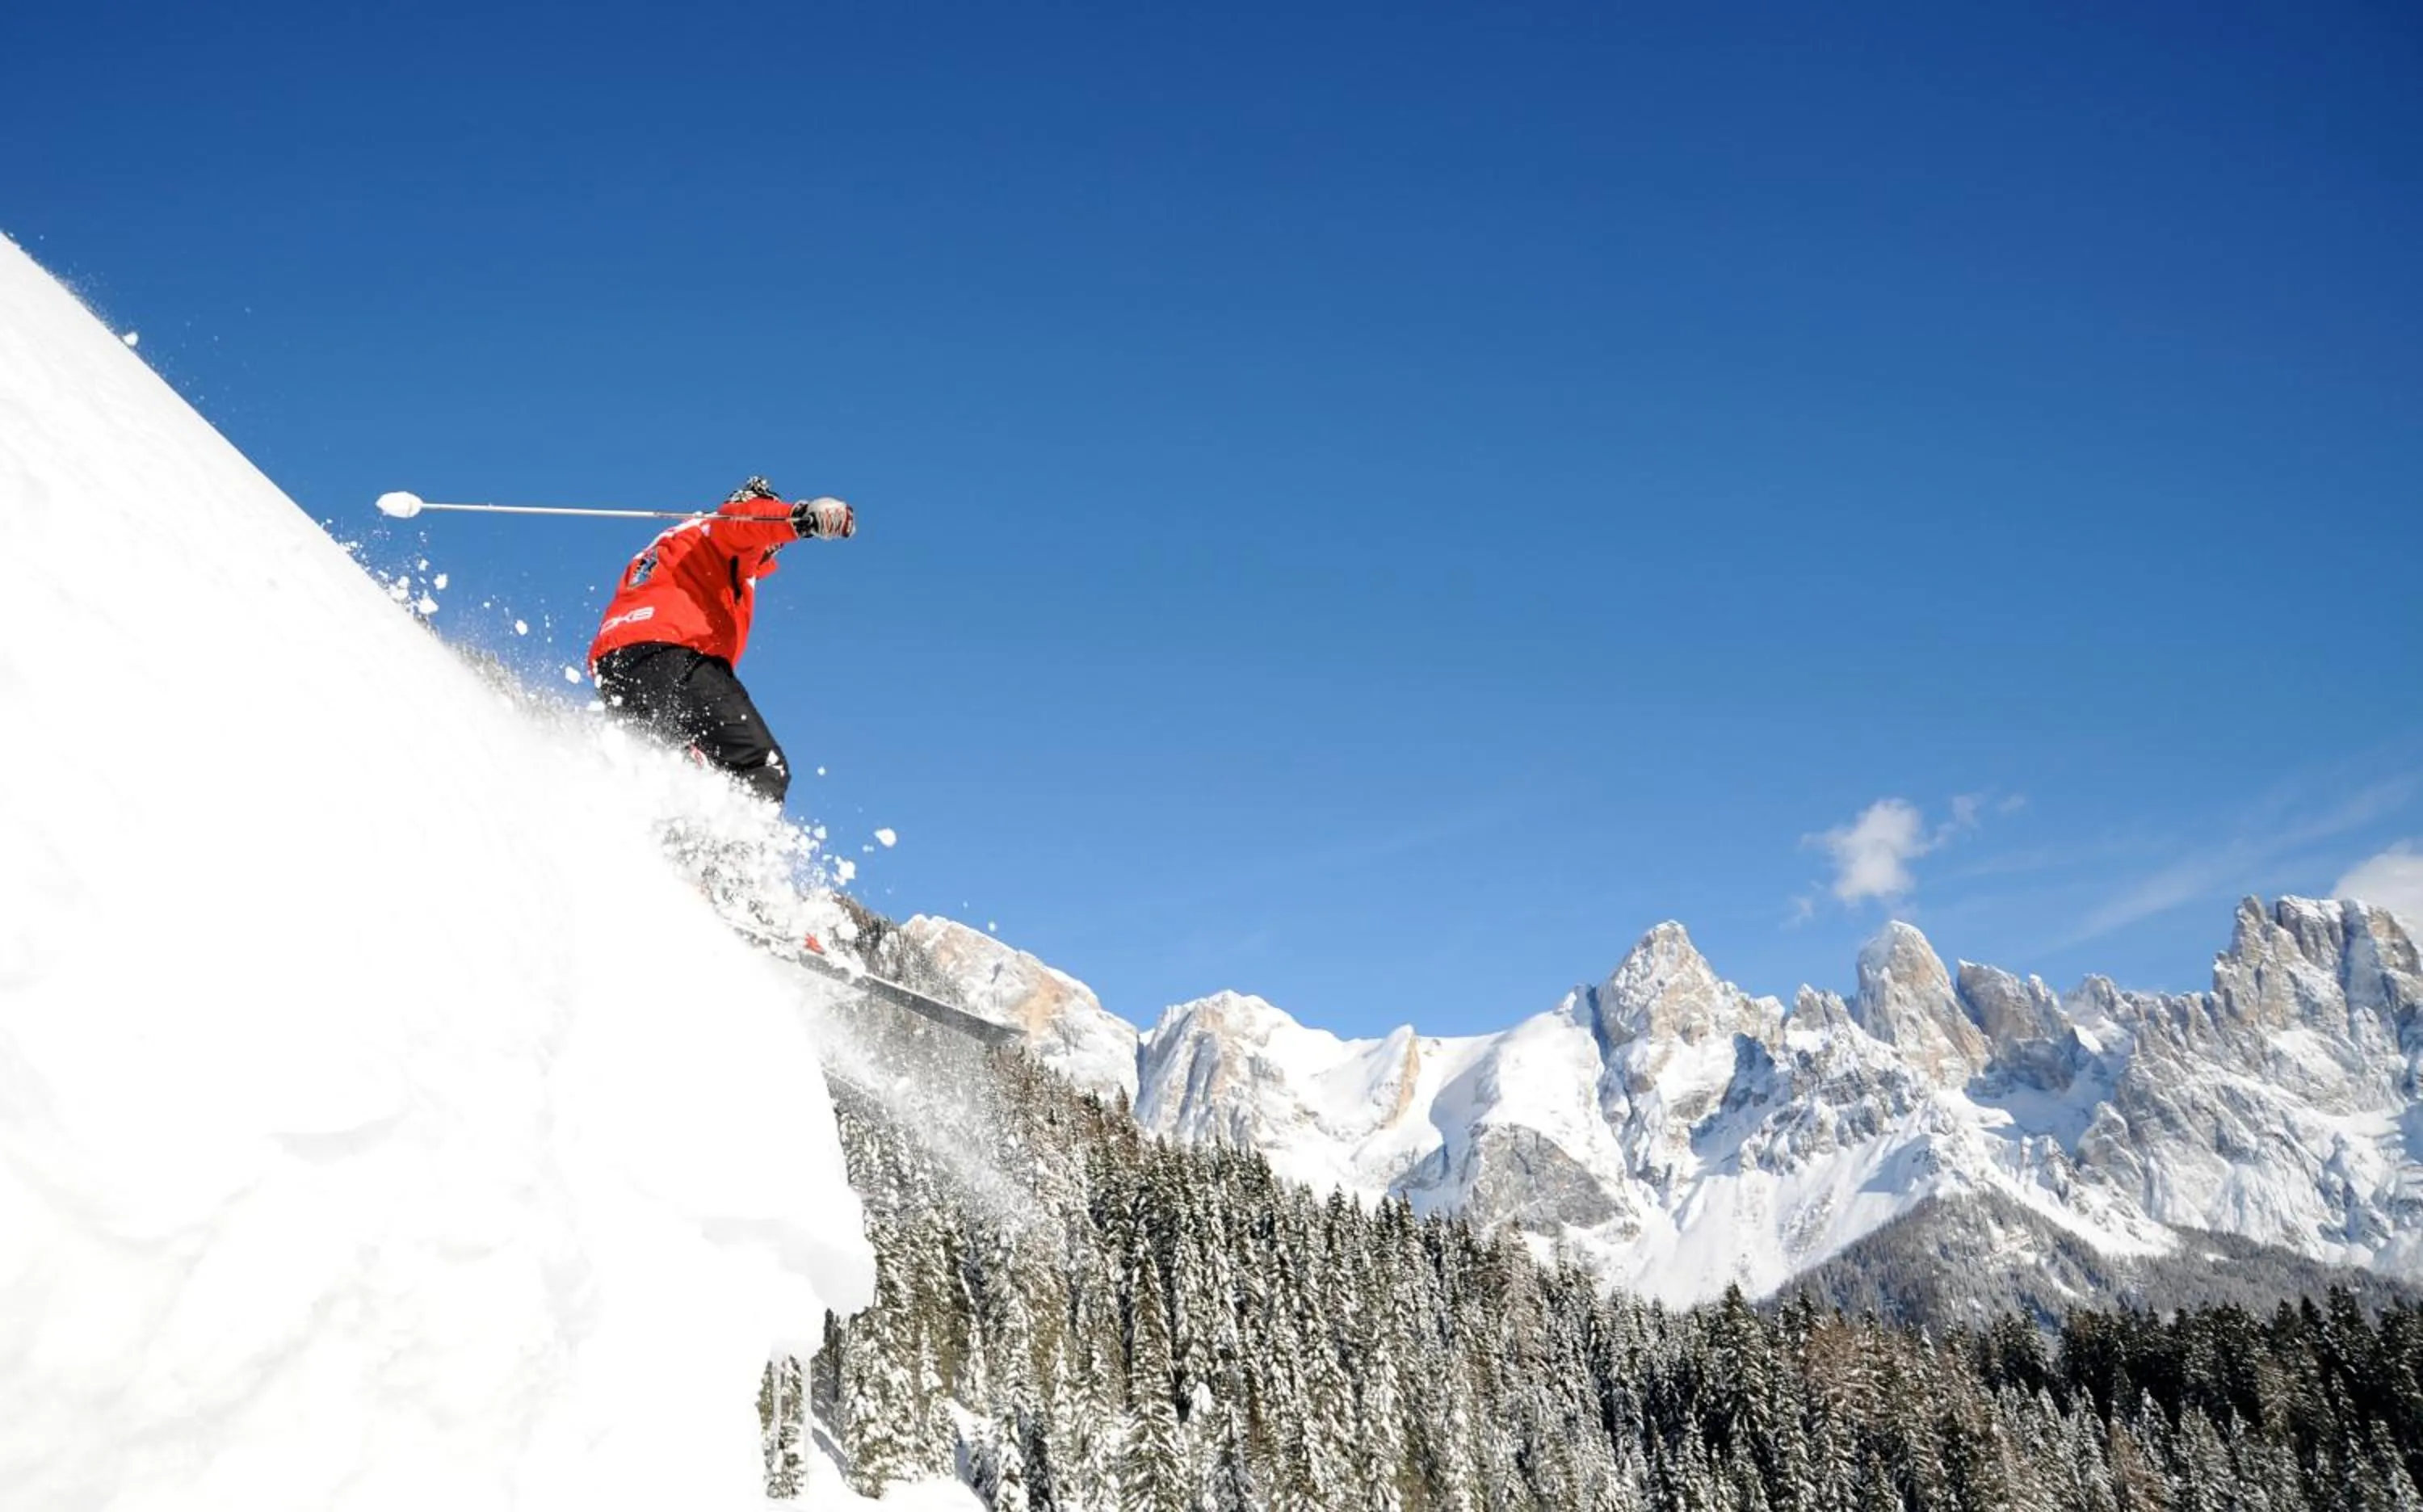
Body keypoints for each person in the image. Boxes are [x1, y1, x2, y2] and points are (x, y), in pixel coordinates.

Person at [587, 477, 855, 804]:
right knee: (761, 766)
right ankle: (733, 851)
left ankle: (657, 837)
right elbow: (746, 520)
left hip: (615, 666)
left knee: (679, 770)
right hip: (673, 653)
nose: (773, 549)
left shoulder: (675, 543)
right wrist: (801, 517)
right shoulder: (724, 529)